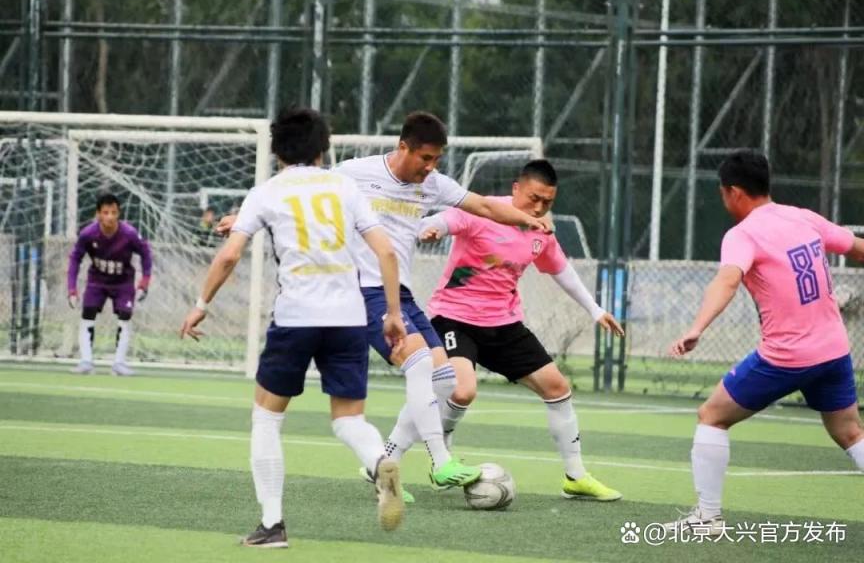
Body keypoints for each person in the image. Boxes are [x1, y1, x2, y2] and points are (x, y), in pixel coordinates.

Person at [219, 111, 552, 498]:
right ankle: (441, 461)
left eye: (436, 160)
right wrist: (242, 217)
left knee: (445, 380)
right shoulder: (356, 173)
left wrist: (527, 220)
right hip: (364, 289)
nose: (430, 167)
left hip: (399, 292)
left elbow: (486, 207)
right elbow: (300, 191)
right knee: (419, 363)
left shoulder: (433, 184)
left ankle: (382, 462)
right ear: (403, 147)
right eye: (425, 158)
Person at [180, 108, 408, 547]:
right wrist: (393, 314)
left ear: (277, 151)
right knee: (349, 419)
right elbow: (386, 252)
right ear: (323, 148)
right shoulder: (345, 187)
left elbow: (229, 255)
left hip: (296, 317)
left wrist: (200, 304)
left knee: (266, 417)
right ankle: (379, 463)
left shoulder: (266, 192)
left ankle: (272, 525)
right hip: (348, 317)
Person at [388, 159, 624, 501]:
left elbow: (562, 271)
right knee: (460, 390)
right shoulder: (483, 209)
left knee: (557, 387)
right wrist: (431, 228)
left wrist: (595, 309)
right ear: (516, 188)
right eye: (533, 198)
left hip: (504, 324)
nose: (539, 207)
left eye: (547, 202)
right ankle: (434, 458)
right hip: (454, 318)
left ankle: (575, 476)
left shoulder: (540, 231)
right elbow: (445, 219)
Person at [665, 150, 864, 534]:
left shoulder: (743, 234)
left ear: (734, 192)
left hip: (787, 356)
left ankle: (707, 518)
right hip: (834, 350)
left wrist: (697, 328)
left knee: (712, 416)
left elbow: (727, 281)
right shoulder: (802, 216)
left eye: (723, 192)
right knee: (850, 432)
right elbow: (857, 248)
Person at [67, 193, 151, 376]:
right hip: (97, 281)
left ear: (119, 213)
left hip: (123, 282)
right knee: (88, 314)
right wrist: (71, 289)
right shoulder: (88, 234)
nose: (110, 217)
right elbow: (75, 258)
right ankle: (86, 361)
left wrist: (144, 282)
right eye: (105, 212)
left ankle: (119, 363)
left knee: (125, 317)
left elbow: (146, 253)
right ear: (98, 214)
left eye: (114, 212)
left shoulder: (129, 234)